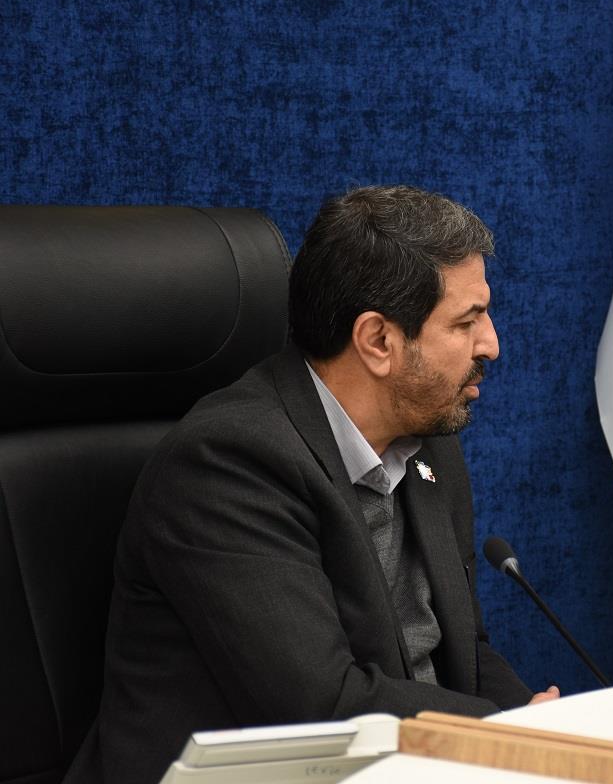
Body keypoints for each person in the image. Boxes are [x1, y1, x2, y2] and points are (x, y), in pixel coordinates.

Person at [68, 185, 556, 784]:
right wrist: (506, 734)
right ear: (378, 341)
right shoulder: (228, 465)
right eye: (467, 321)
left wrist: (551, 729)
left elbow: (464, 650)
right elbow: (320, 706)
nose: (492, 344)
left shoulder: (429, 443)